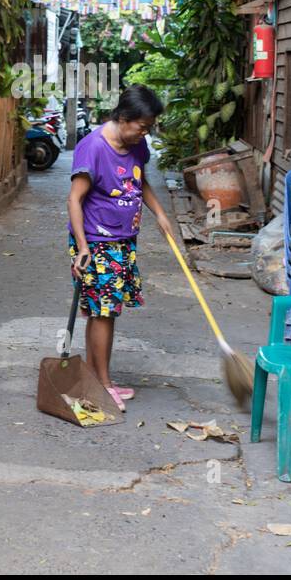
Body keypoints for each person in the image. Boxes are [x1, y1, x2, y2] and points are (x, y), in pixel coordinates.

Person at [66, 84, 175, 411]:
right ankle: (102, 384)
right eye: (141, 127)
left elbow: (140, 182)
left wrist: (161, 214)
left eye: (148, 128)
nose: (144, 134)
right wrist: (83, 246)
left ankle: (99, 380)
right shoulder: (94, 147)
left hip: (123, 240)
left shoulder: (137, 145)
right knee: (103, 313)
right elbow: (75, 198)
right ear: (123, 117)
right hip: (96, 243)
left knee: (106, 313)